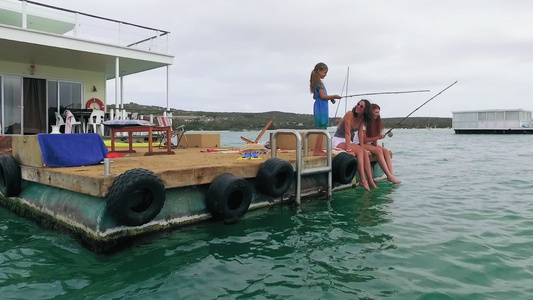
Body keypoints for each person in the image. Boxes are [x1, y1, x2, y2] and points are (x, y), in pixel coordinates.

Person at [331, 99, 377, 191]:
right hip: (338, 140)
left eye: (361, 106)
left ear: (365, 110)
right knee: (359, 151)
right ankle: (363, 180)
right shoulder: (350, 114)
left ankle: (370, 180)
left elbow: (360, 134)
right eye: (358, 104)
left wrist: (363, 148)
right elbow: (347, 133)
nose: (358, 107)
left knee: (363, 152)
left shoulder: (362, 119)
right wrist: (348, 150)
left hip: (346, 141)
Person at [362, 103, 401, 184]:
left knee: (386, 151)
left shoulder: (376, 123)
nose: (377, 115)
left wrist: (377, 143)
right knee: (379, 151)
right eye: (375, 112)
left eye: (378, 113)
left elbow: (375, 141)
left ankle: (391, 175)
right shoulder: (364, 122)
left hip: (369, 144)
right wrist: (377, 138)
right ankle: (388, 175)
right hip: (361, 143)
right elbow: (364, 139)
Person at [309, 62, 341, 156]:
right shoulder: (319, 83)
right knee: (322, 129)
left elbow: (315, 97)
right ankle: (317, 150)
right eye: (325, 72)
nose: (325, 75)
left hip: (319, 106)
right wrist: (334, 96)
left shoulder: (315, 83)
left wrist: (329, 98)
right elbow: (322, 96)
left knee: (322, 128)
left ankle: (319, 149)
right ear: (319, 71)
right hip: (321, 108)